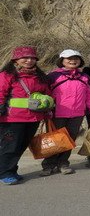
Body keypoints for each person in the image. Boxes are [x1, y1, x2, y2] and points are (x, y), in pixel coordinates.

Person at [42, 49, 90, 176]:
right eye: (69, 58)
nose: (73, 61)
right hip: (56, 114)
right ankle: (49, 165)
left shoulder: (84, 77)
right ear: (62, 61)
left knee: (69, 140)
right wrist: (46, 110)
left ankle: (63, 163)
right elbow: (45, 94)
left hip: (77, 114)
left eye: (76, 58)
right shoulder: (53, 76)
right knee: (54, 141)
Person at [0, 47, 51, 185]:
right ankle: (5, 173)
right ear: (15, 59)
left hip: (34, 118)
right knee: (10, 146)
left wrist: (47, 109)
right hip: (12, 118)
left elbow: (46, 94)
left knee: (21, 145)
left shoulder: (39, 76)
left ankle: (12, 170)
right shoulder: (7, 75)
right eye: (25, 58)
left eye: (32, 58)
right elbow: (0, 94)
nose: (29, 61)